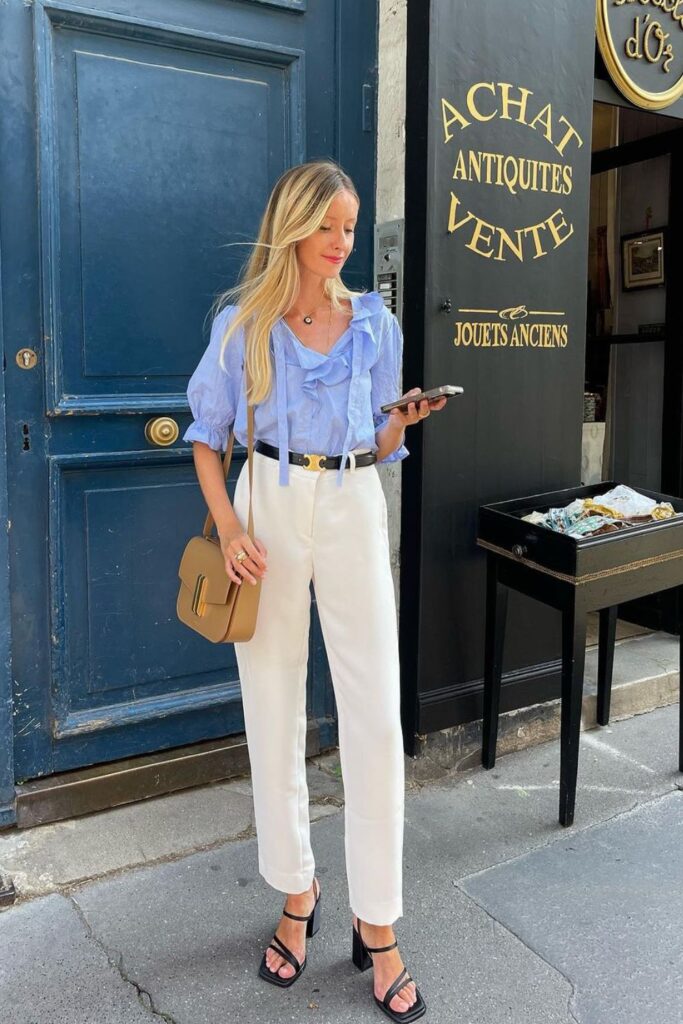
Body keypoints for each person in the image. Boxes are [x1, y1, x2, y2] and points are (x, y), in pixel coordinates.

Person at [183, 159, 446, 1022]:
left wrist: (396, 424)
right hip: (264, 502)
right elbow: (205, 437)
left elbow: (373, 442)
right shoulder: (242, 323)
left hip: (348, 501)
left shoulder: (374, 322)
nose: (341, 245)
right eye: (328, 227)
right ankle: (297, 893)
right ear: (292, 226)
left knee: (373, 715)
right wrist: (228, 528)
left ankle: (379, 921)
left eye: (350, 228)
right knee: (273, 707)